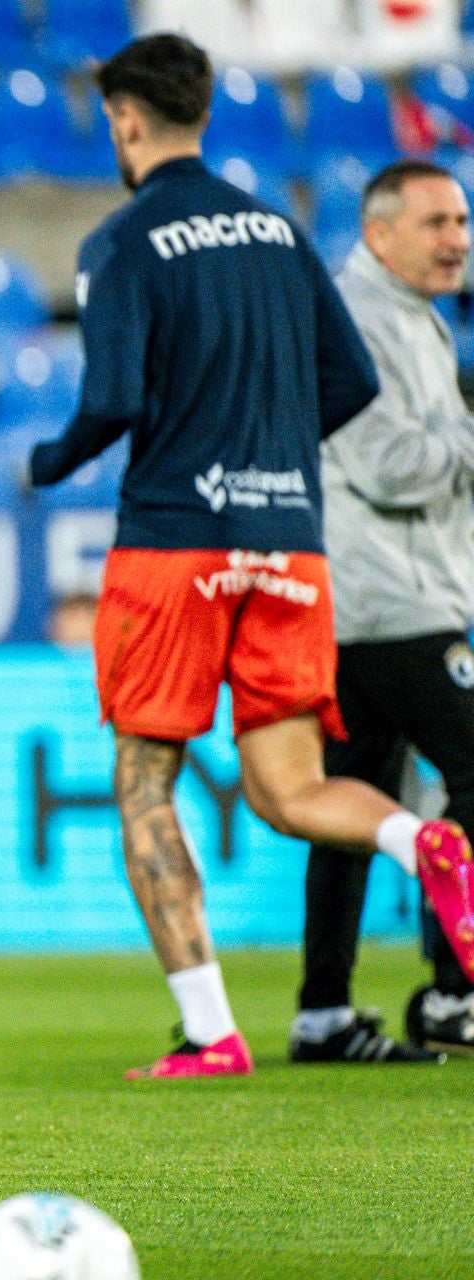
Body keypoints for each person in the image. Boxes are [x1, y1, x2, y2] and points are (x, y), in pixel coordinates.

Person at [26, 34, 474, 1080]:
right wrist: (269, 452)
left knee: (145, 779)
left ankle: (212, 1031)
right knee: (293, 787)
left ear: (126, 121)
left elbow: (115, 399)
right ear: (203, 116)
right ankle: (422, 841)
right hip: (290, 549)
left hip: (175, 544)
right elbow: (352, 384)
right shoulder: (280, 232)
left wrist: (48, 459)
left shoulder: (125, 239)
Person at [293, 159, 474, 1063]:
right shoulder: (357, 319)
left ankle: (323, 1011)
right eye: (437, 222)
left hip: (374, 600)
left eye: (462, 222)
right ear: (379, 231)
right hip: (391, 602)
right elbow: (388, 464)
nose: (457, 240)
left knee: (348, 805)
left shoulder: (411, 319)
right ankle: (456, 992)